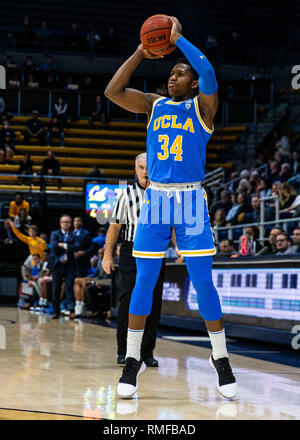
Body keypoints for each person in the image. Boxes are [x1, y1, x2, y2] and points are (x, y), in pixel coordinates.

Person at [104, 16, 236, 399]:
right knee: (144, 280)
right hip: (157, 197)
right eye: (171, 74)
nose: (171, 78)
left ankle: (220, 357)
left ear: (192, 83)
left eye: (179, 74)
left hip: (192, 198)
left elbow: (208, 70)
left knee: (202, 280)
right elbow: (113, 91)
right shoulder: (153, 105)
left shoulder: (203, 108)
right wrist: (140, 53)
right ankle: (132, 360)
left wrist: (180, 41)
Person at [102, 153, 167, 367]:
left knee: (153, 302)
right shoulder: (126, 195)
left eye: (149, 167)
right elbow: (114, 227)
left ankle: (146, 352)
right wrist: (108, 254)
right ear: (135, 169)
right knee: (128, 299)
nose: (145, 171)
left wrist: (179, 248)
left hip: (156, 252)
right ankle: (125, 351)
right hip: (131, 250)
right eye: (141, 167)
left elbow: (172, 225)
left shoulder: (164, 194)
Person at [47, 214, 80, 318]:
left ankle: (71, 310)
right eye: (64, 222)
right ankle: (56, 311)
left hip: (70, 264)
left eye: (68, 222)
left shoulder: (74, 235)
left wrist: (64, 245)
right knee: (56, 288)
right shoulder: (55, 233)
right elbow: (54, 247)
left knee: (69, 288)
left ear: (71, 224)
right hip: (57, 264)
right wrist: (67, 247)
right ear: (60, 223)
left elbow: (77, 246)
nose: (66, 224)